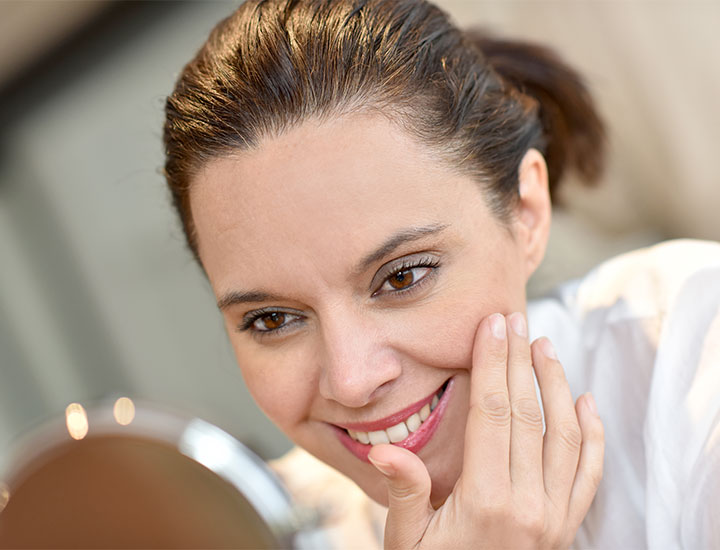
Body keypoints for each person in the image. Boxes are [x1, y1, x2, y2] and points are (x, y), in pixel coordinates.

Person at [162, 1, 720, 548]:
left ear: (526, 211)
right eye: (273, 319)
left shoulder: (693, 359)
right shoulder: (280, 530)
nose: (354, 381)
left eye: (402, 278)